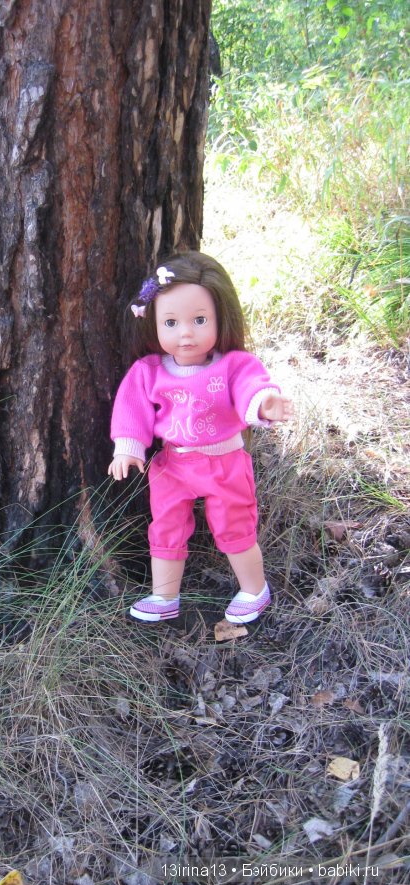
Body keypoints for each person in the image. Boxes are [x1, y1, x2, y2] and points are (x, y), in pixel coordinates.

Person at [108, 251, 294, 625]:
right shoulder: (149, 371)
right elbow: (132, 410)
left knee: (234, 523)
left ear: (219, 318)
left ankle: (254, 588)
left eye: (199, 320)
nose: (186, 333)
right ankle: (165, 596)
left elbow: (250, 387)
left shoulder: (233, 364)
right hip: (173, 463)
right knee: (165, 525)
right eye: (171, 322)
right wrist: (128, 448)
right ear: (154, 323)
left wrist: (264, 403)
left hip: (224, 462)